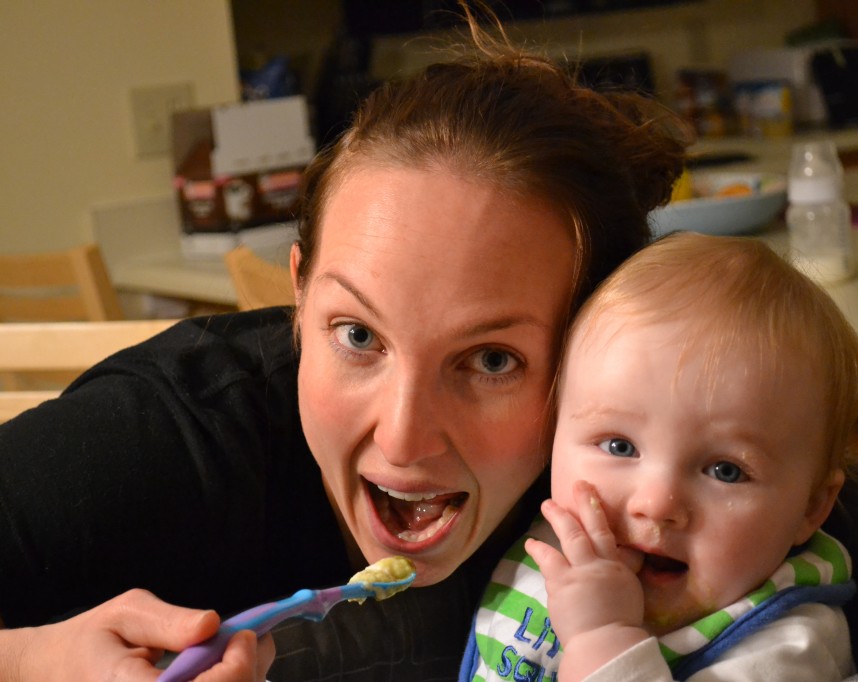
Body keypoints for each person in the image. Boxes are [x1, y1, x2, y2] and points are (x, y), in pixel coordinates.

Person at [0, 7, 690, 682]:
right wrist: (30, 662)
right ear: (300, 296)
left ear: (592, 356)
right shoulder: (178, 434)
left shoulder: (645, 484)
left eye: (490, 362)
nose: (402, 440)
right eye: (358, 335)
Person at [462, 232, 858, 681]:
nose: (656, 504)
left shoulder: (786, 651)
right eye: (619, 446)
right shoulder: (552, 545)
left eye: (725, 471)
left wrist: (601, 636)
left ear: (811, 506)